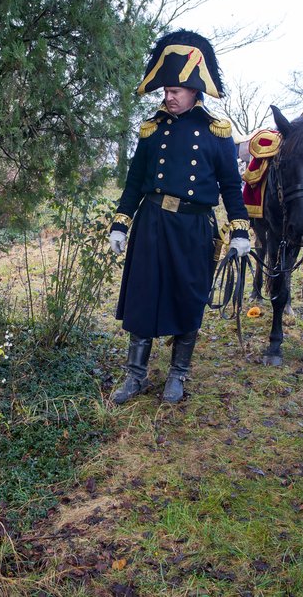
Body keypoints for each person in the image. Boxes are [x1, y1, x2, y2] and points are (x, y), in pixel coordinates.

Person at [108, 30, 250, 405]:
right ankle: (135, 376)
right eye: (166, 90)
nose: (169, 96)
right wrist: (121, 222)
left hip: (192, 229)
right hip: (152, 224)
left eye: (176, 90)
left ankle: (178, 374)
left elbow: (231, 187)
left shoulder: (216, 133)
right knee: (143, 296)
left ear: (194, 91)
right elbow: (135, 181)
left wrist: (239, 231)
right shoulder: (152, 131)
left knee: (188, 298)